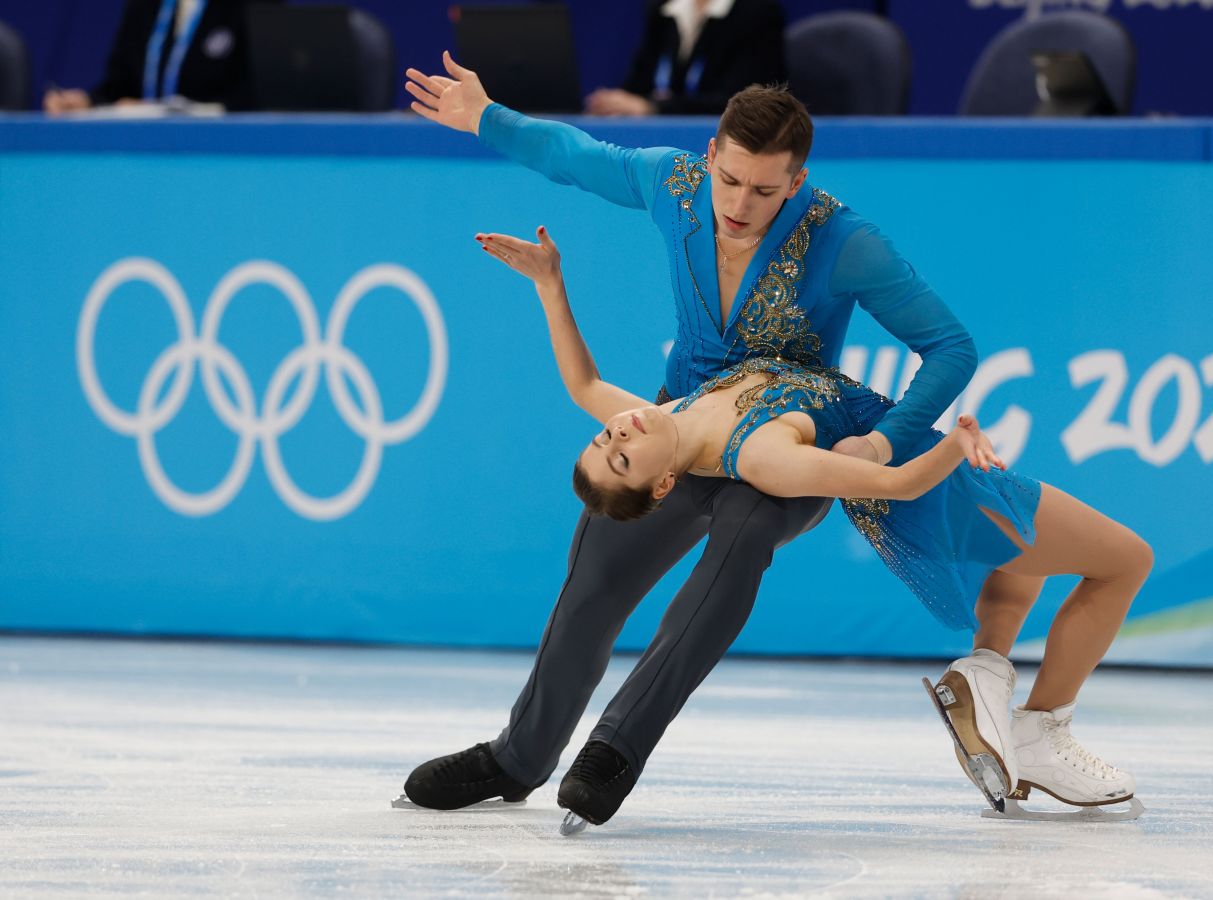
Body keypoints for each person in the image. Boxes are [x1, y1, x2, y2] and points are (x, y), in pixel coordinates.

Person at [400, 53, 1147, 828]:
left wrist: (888, 444)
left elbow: (951, 346)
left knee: (740, 541)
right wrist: (486, 117)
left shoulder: (843, 240)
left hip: (782, 447)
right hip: (682, 420)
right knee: (596, 571)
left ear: (796, 182)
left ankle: (615, 748)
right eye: (729, 179)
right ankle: (519, 755)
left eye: (764, 190)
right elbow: (575, 158)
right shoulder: (675, 185)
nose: (739, 203)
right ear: (711, 157)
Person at [44, 0, 273, 115]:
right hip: (146, 153)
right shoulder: (147, 5)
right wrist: (88, 102)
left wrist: (185, 113)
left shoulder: (251, 5)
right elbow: (121, 86)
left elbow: (260, 96)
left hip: (221, 153)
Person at [586, 0, 786, 116]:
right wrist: (615, 102)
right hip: (658, 141)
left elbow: (740, 101)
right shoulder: (663, 9)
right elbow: (638, 83)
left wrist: (653, 107)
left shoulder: (758, 13)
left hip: (728, 139)